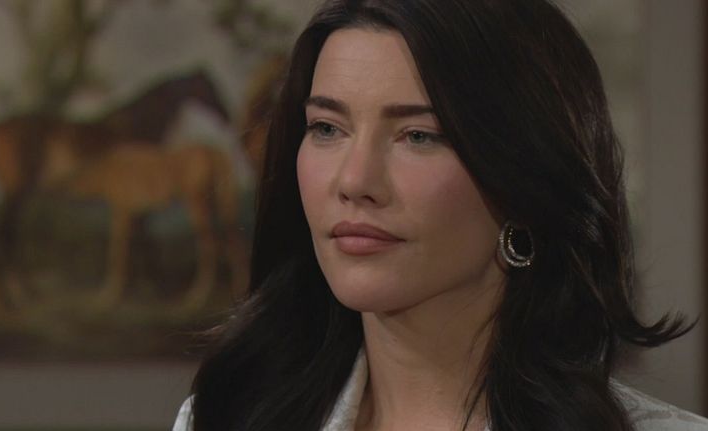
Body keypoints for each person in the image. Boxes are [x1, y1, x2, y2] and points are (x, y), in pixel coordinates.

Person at [172, 0, 708, 430]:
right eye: (327, 129)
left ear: (523, 174)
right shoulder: (221, 418)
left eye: (418, 135)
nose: (354, 181)